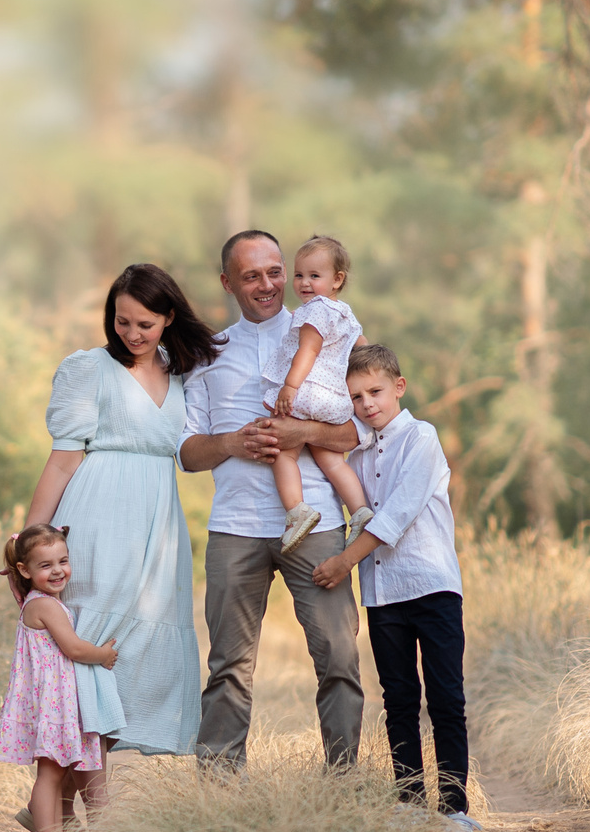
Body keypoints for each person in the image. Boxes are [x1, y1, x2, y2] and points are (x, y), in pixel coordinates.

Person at [179, 229, 365, 771]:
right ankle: (219, 790)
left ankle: (344, 785)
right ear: (227, 284)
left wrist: (300, 434)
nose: (268, 285)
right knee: (229, 666)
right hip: (235, 526)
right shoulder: (206, 354)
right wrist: (236, 442)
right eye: (251, 275)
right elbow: (188, 454)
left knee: (338, 656)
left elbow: (360, 432)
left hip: (319, 523)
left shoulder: (329, 331)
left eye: (275, 271)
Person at [21, 262, 217, 760]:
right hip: (98, 511)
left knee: (137, 650)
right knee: (90, 640)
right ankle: (56, 794)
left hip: (158, 522)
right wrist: (30, 541)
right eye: (121, 321)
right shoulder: (91, 369)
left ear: (169, 317)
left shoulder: (183, 371)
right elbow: (63, 463)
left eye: (144, 324)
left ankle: (64, 799)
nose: (131, 333)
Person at [313, 342, 479, 832]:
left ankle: (454, 811)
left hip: (431, 586)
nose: (367, 404)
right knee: (400, 699)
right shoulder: (358, 451)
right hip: (383, 595)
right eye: (356, 396)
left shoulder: (422, 439)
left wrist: (343, 560)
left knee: (446, 698)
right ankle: (409, 802)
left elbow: (396, 516)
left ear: (399, 387)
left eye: (376, 392)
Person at [0, 525, 123, 832]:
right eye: (45, 565)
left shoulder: (40, 602)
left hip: (65, 707)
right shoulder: (44, 607)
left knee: (73, 774)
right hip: (54, 708)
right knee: (50, 775)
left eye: (63, 561)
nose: (58, 571)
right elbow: (74, 648)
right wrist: (104, 655)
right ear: (25, 571)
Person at [263, 234, 372, 553]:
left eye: (314, 276)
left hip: (306, 392)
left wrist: (290, 387)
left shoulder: (314, 310)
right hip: (334, 400)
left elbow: (307, 351)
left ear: (337, 279)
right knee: (332, 460)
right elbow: (363, 348)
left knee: (284, 451)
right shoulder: (346, 313)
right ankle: (360, 512)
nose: (304, 284)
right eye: (299, 275)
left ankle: (297, 510)